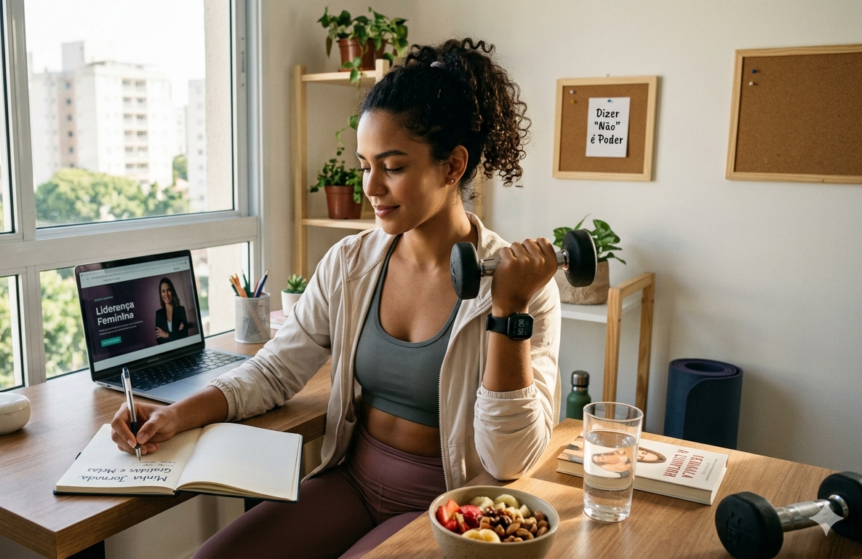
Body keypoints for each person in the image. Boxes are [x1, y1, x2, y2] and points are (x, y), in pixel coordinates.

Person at [111, 38, 562, 558]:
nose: (370, 186)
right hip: (354, 482)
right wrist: (176, 415)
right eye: (364, 164)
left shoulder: (520, 289)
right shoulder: (351, 264)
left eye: (392, 166)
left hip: (449, 510)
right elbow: (275, 371)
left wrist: (508, 313)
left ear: (453, 166)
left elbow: (510, 461)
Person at [155, 277, 190, 344]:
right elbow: (159, 340)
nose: (166, 294)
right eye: (163, 291)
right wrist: (177, 332)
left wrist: (166, 334)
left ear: (172, 291)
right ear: (160, 294)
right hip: (167, 351)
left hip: (181, 348)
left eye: (168, 290)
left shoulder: (181, 310)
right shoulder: (158, 314)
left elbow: (184, 334)